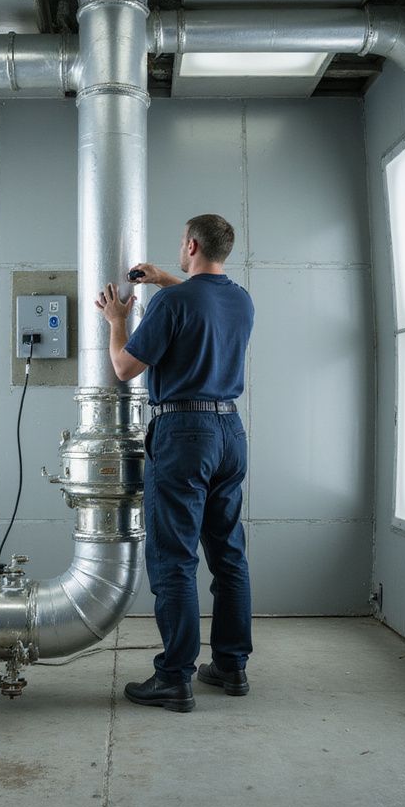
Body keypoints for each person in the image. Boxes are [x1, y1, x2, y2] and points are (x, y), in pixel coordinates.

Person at [95, 213, 255, 712]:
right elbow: (200, 300)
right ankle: (230, 666)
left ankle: (175, 677)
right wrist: (166, 278)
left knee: (173, 558)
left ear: (189, 244)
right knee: (228, 555)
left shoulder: (172, 303)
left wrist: (118, 322)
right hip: (230, 431)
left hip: (185, 434)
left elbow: (124, 368)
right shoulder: (240, 299)